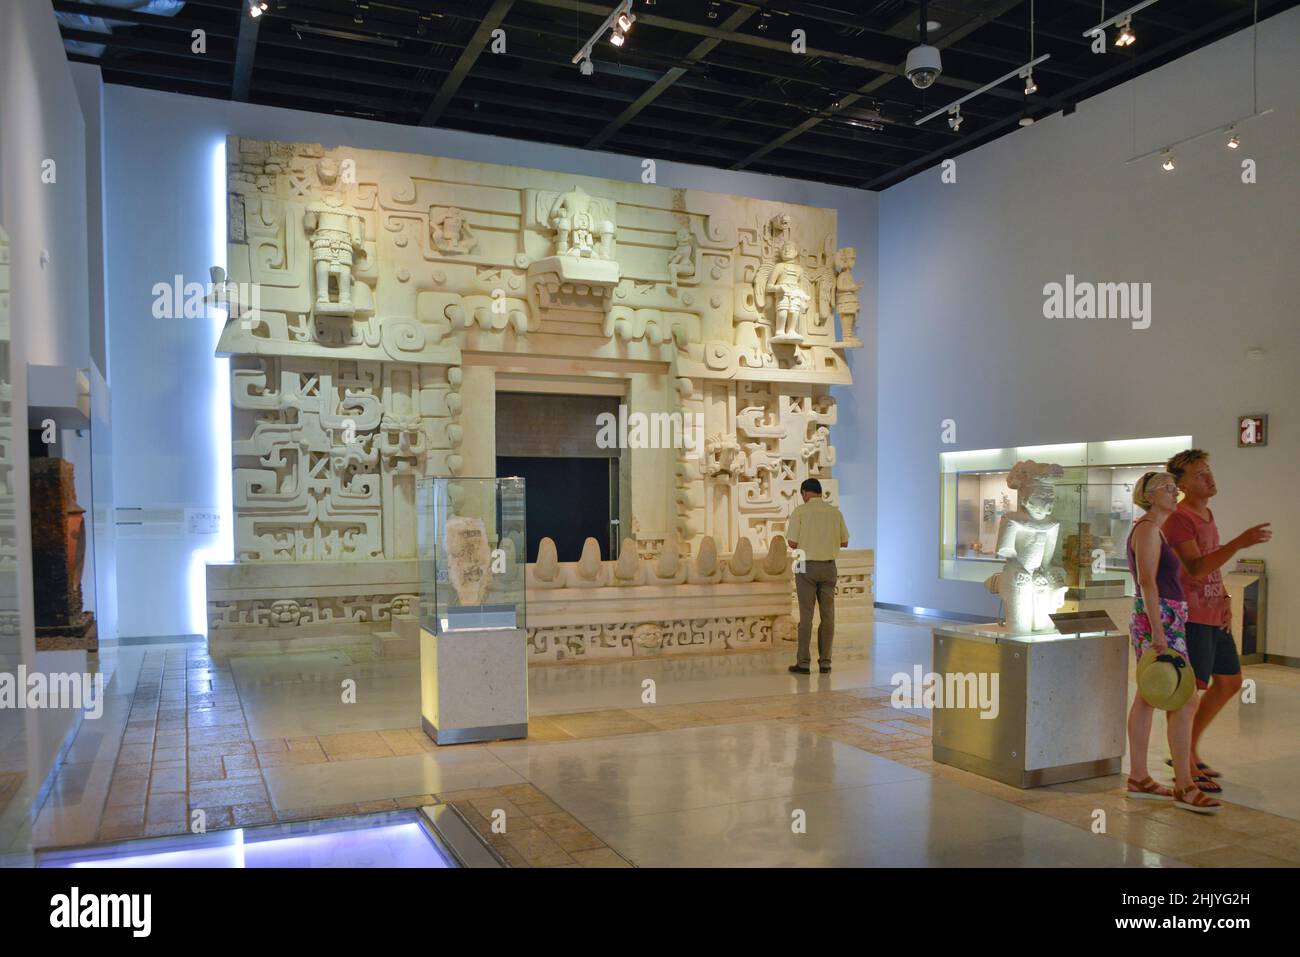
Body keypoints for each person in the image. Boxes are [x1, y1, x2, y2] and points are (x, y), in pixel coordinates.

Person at [1163, 449, 1272, 789]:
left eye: (1209, 472)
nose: (1210, 479)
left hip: (1212, 613)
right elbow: (1195, 567)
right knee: (1189, 693)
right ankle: (1185, 764)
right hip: (1190, 616)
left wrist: (1224, 597)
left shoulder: (1206, 515)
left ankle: (1189, 750)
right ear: (1182, 484)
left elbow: (1210, 564)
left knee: (1229, 681)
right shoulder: (1179, 518)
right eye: (1200, 475)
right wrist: (1240, 543)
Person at [1125, 472, 1219, 813]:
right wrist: (1159, 631)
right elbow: (1148, 582)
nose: (1175, 490)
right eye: (1167, 487)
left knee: (1152, 695)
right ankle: (1184, 784)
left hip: (1167, 615)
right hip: (1159, 616)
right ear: (1150, 496)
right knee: (1183, 697)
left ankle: (1140, 778)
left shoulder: (1157, 529)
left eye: (1174, 486)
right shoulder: (1149, 529)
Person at [785, 478, 848, 675]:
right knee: (828, 616)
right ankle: (825, 662)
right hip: (829, 567)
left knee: (806, 615)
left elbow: (793, 543)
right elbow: (844, 542)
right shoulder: (835, 513)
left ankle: (803, 663)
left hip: (806, 565)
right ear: (820, 492)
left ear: (804, 492)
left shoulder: (800, 512)